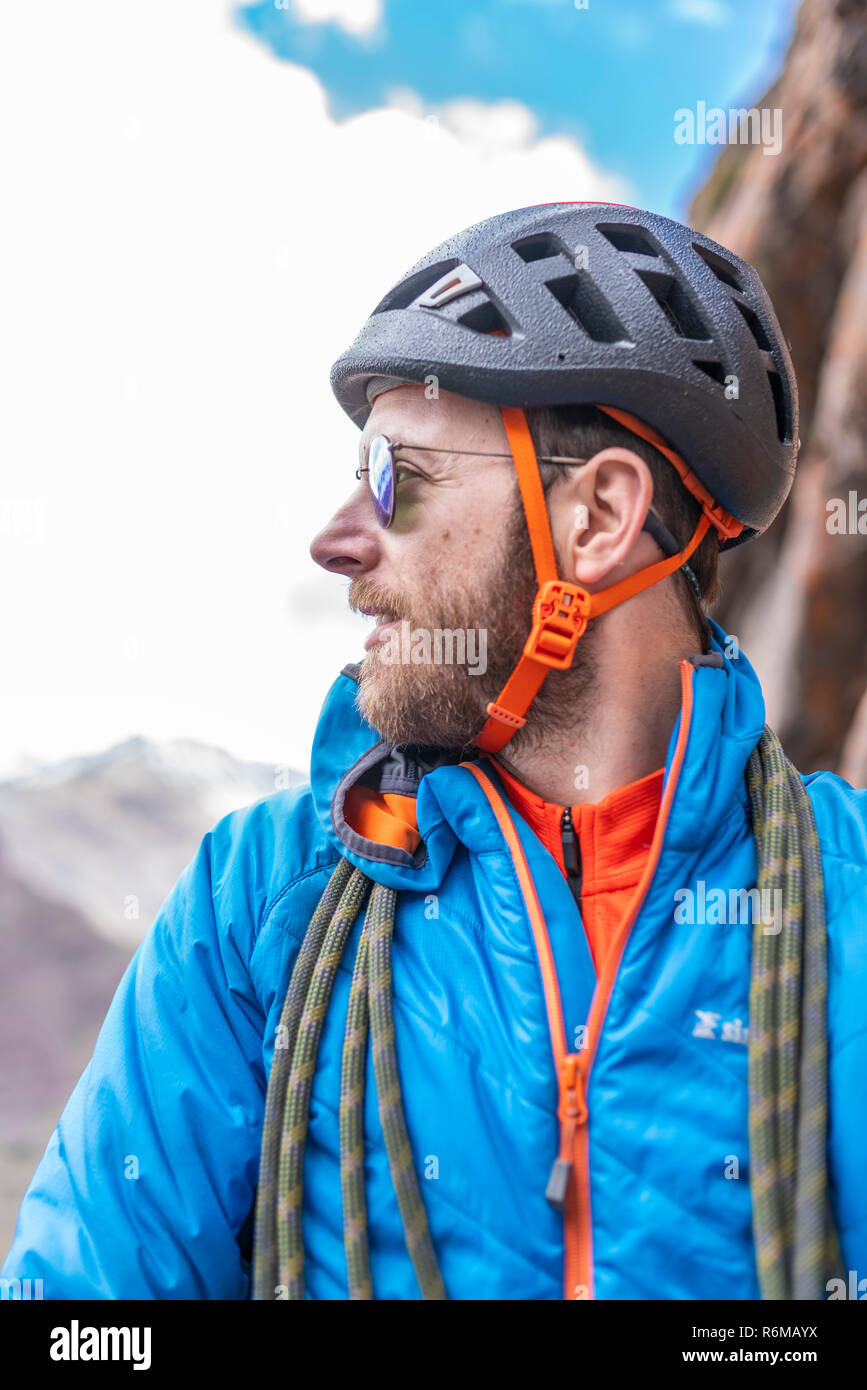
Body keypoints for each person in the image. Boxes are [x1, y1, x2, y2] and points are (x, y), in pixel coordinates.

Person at [3, 202, 866, 1301]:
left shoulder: (847, 907)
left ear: (597, 517)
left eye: (393, 474)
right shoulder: (261, 898)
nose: (335, 540)